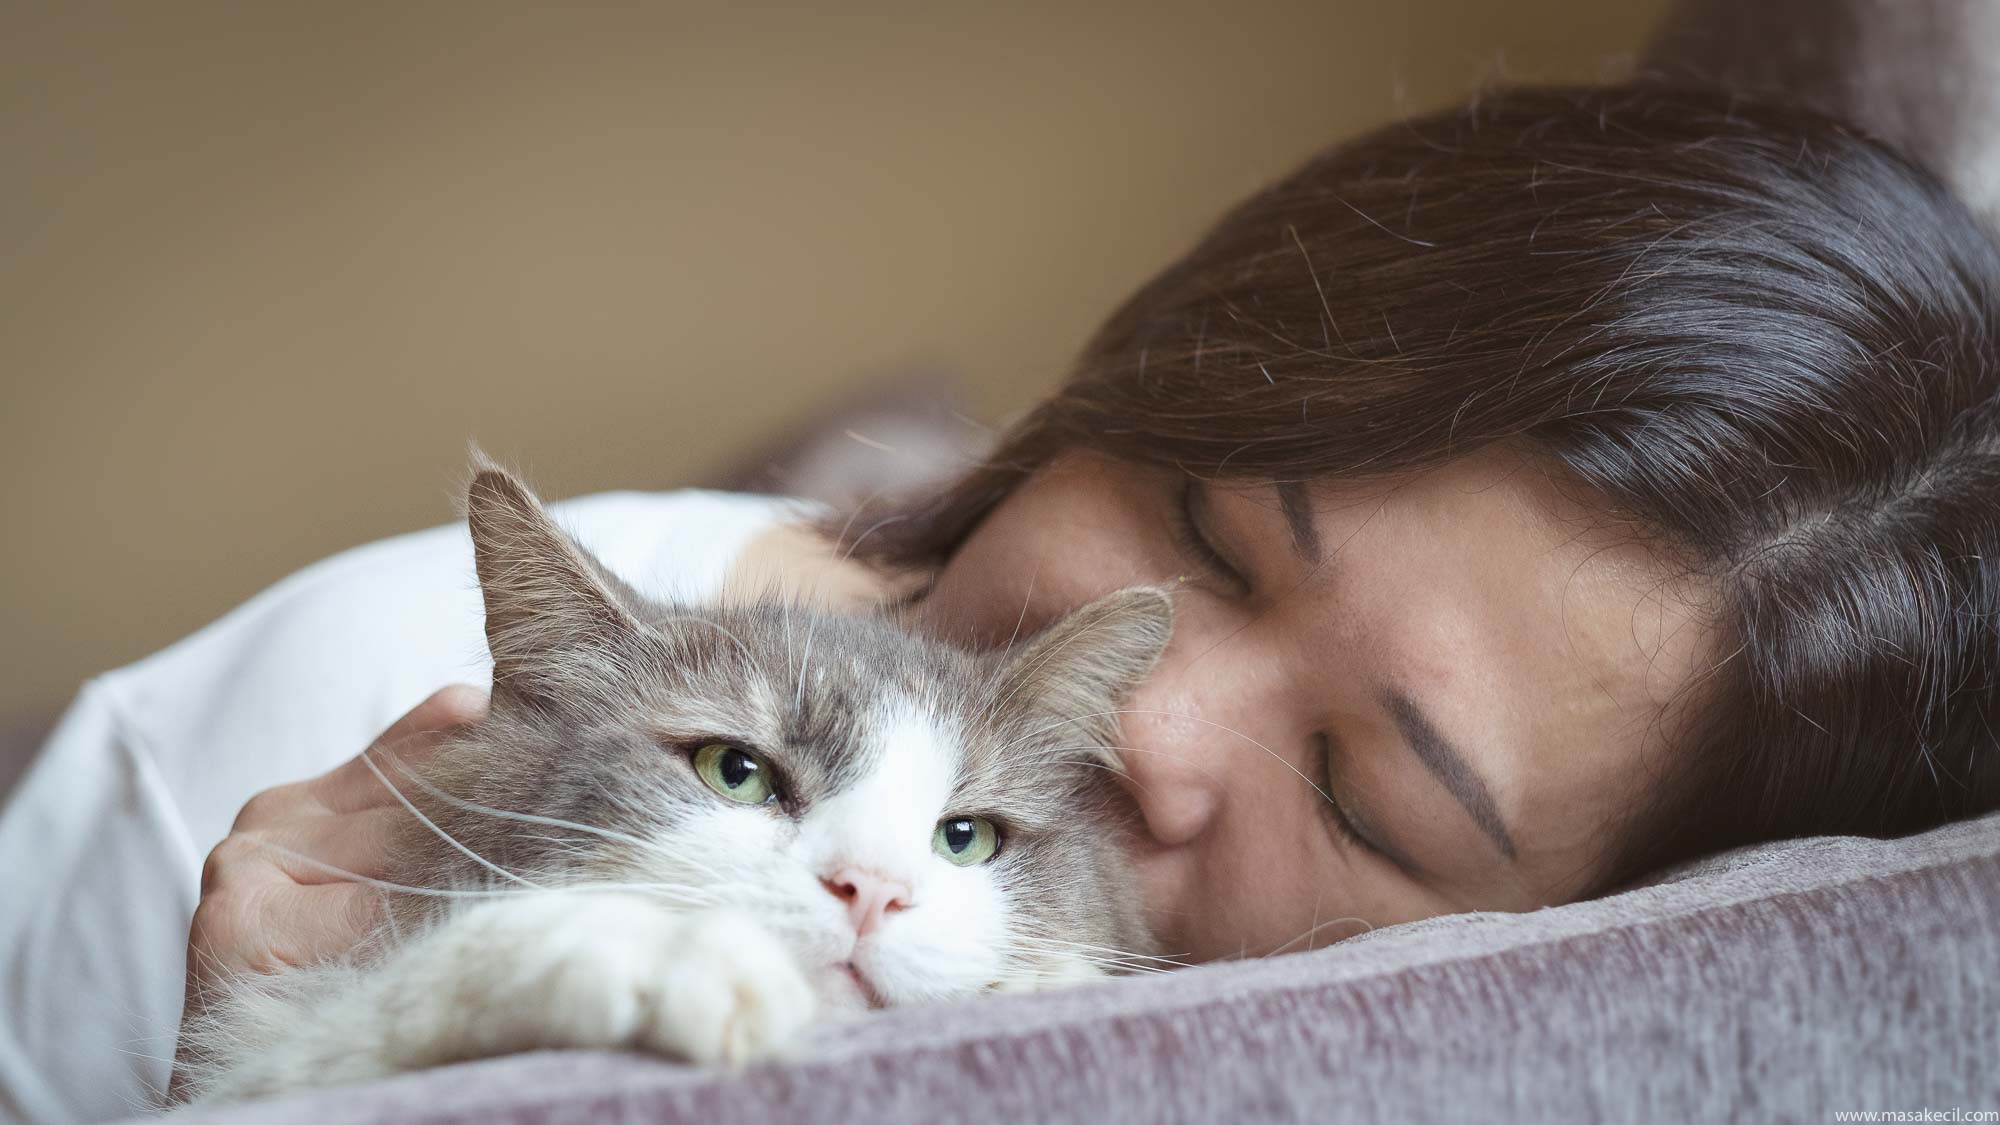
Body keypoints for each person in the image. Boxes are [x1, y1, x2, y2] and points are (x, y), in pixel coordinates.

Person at [4, 77, 1999, 1125]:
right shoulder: (373, 718)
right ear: (1146, 372)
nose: (1146, 718)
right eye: (1208, 539)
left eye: (1367, 791)